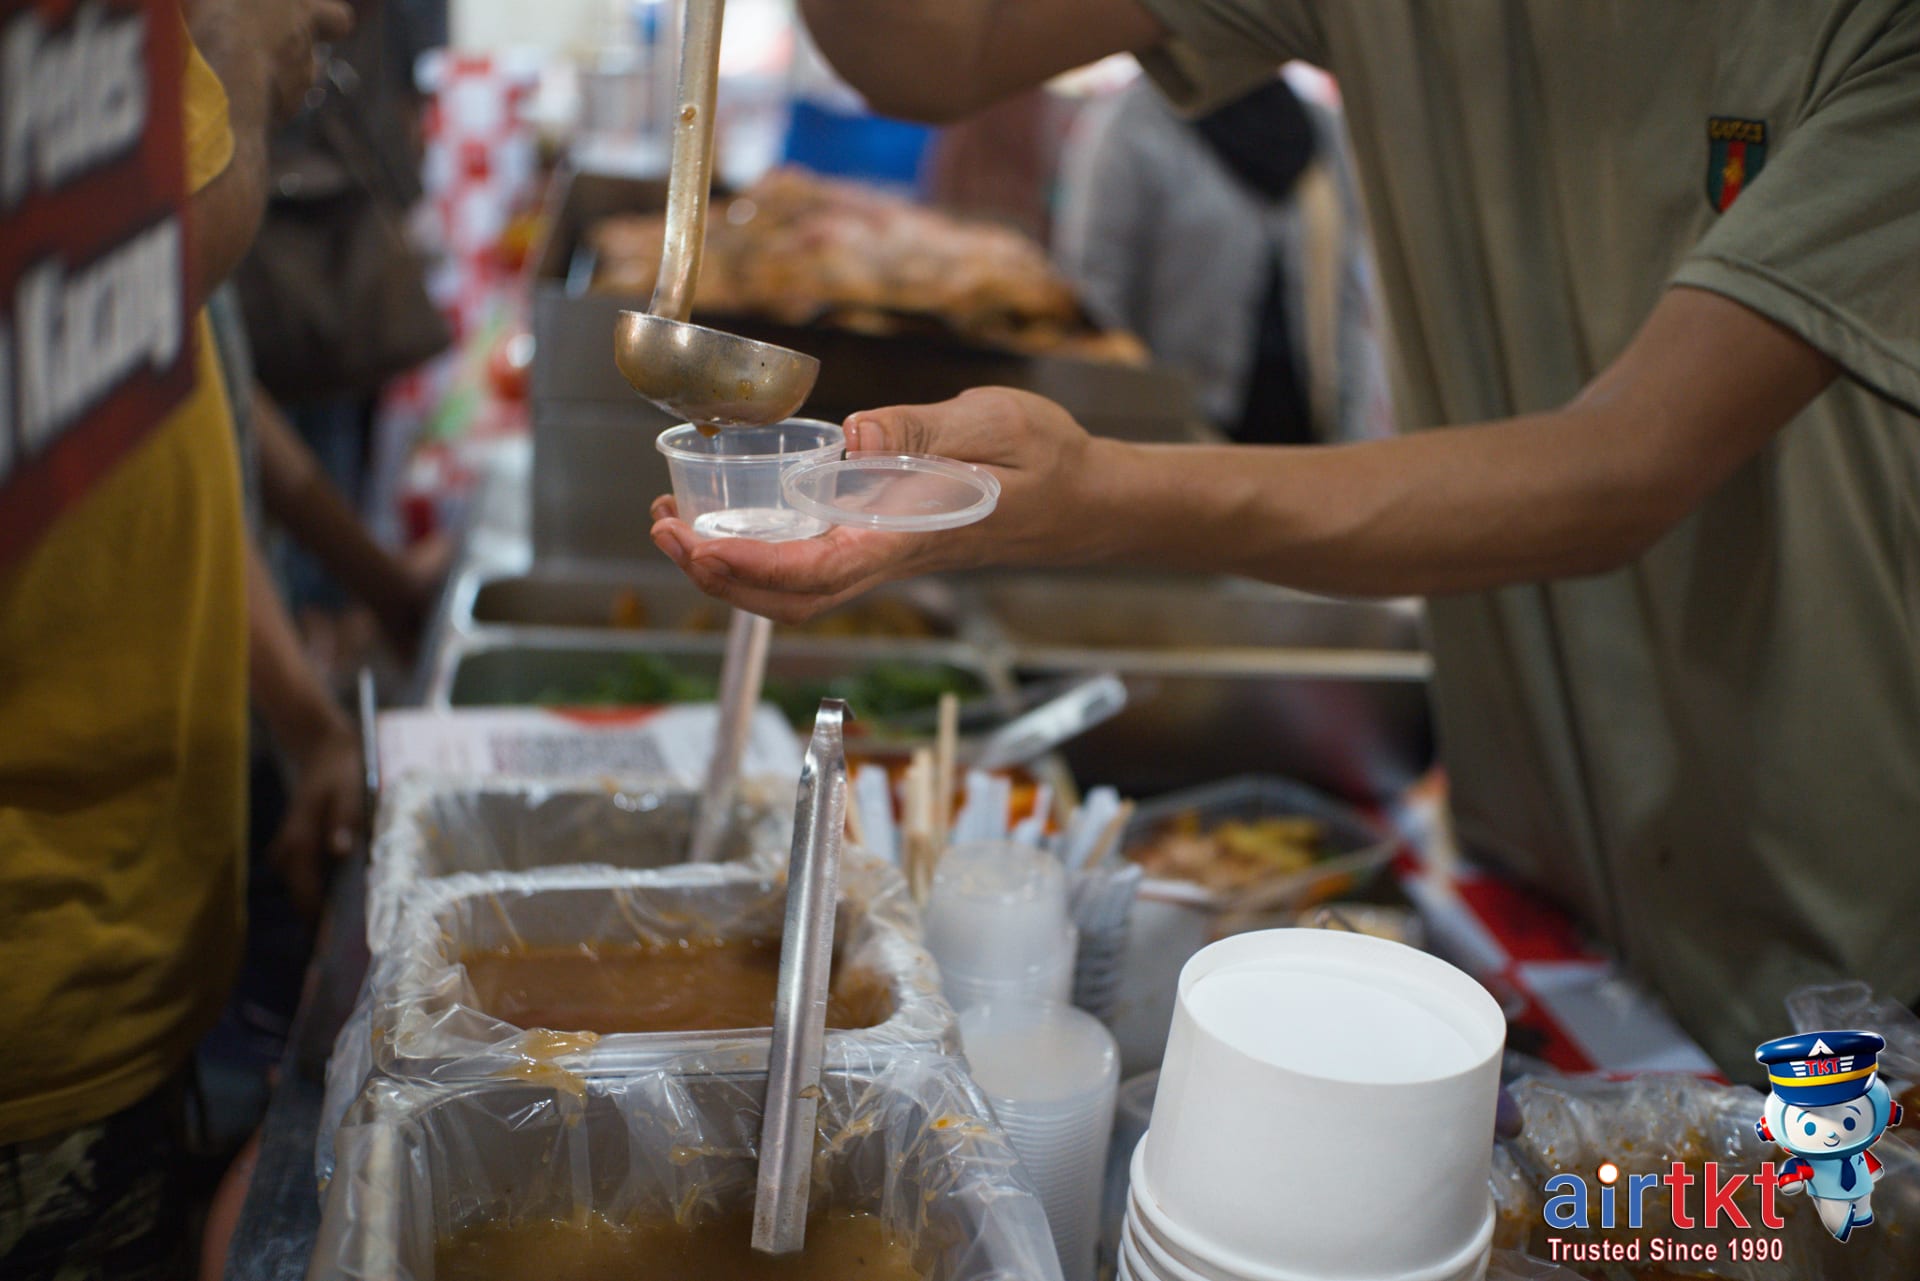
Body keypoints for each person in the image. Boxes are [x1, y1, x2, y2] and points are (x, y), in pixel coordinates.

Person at [650, 0, 1920, 1076]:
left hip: (1839, 930)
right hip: (1533, 868)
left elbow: (1624, 470)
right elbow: (937, 47)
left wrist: (1097, 492)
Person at [0, 1, 350, 1276]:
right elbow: (147, 269)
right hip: (39, 1024)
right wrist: (247, 38)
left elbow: (158, 399)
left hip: (132, 967)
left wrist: (308, 717)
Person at [1055, 71, 1387, 444]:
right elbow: (1097, 294)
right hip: (1178, 434)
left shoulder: (1318, 128)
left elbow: (1347, 295)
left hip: (1304, 431)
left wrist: (1351, 434)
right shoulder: (1132, 122)